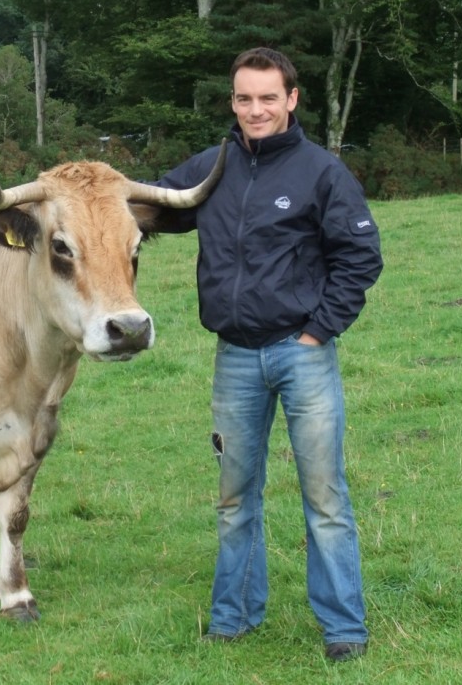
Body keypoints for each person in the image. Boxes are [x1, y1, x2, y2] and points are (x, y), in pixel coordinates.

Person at [154, 47, 383, 662]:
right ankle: (233, 616)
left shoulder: (322, 172)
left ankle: (343, 629)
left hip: (300, 354)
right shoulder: (212, 168)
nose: (255, 109)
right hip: (234, 358)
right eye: (243, 98)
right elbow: (148, 202)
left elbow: (361, 258)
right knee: (234, 496)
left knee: (324, 494)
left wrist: (319, 330)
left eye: (266, 97)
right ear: (233, 101)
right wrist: (85, 186)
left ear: (291, 99)